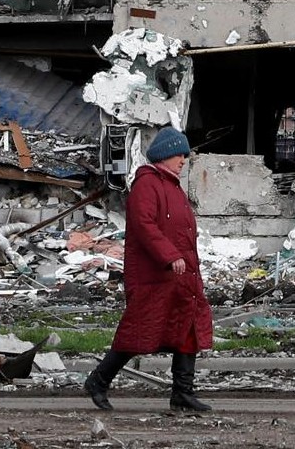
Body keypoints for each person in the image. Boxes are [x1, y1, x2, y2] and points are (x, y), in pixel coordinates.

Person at [84, 126, 214, 413]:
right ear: (166, 154)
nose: (183, 160)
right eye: (180, 154)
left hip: (182, 276)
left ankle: (182, 394)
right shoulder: (147, 184)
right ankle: (98, 381)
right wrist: (169, 256)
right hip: (156, 276)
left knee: (187, 330)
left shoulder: (173, 187)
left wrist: (187, 265)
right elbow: (144, 225)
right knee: (140, 331)